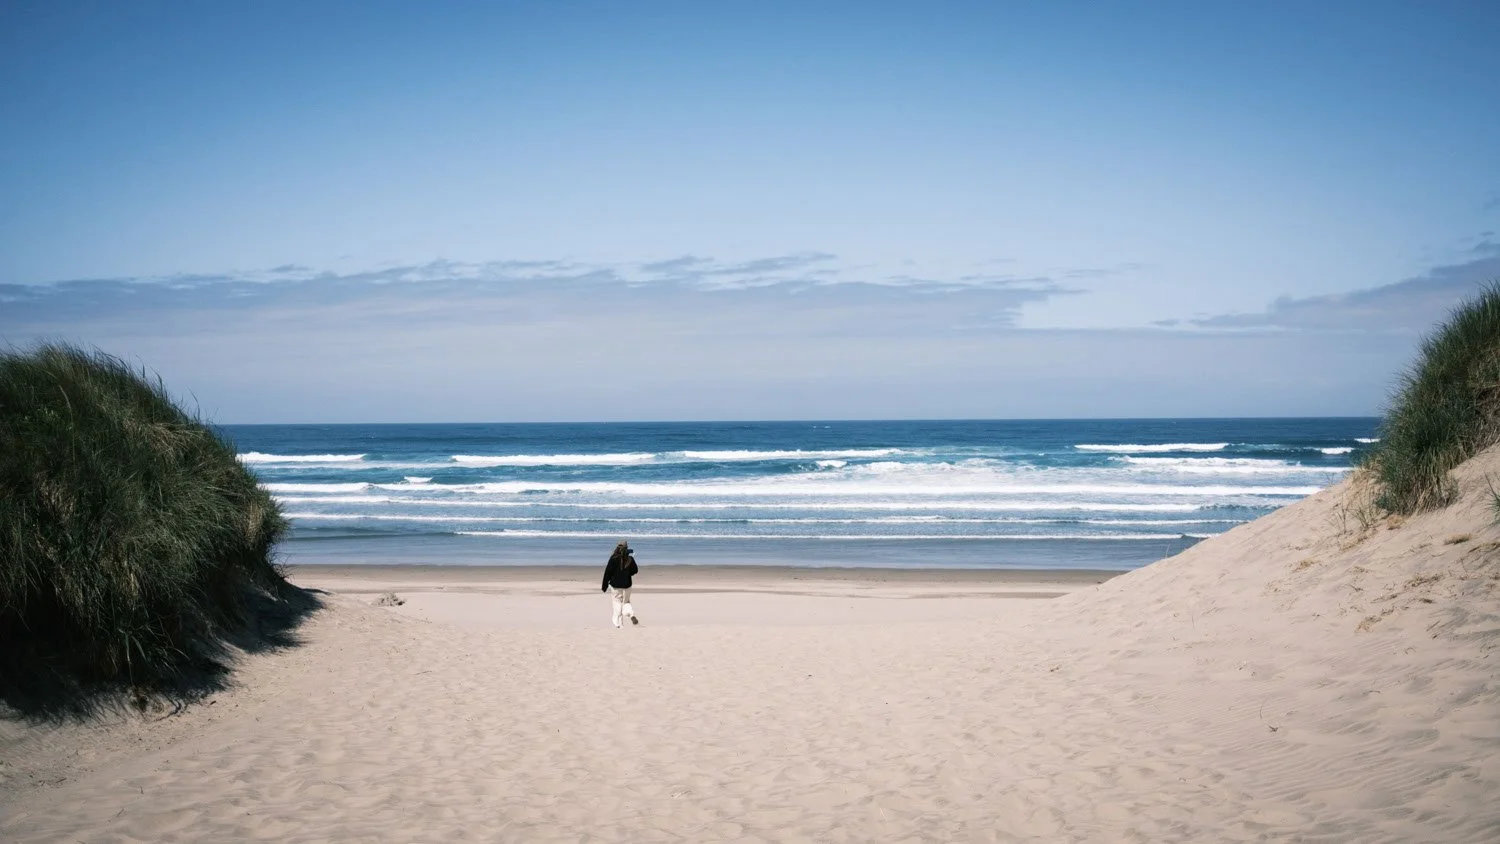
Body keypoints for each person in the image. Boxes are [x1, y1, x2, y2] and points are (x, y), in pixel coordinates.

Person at [600, 540, 639, 628]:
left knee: (617, 602)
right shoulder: (630, 559)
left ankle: (618, 624)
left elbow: (607, 573)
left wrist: (604, 586)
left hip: (616, 586)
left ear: (617, 547)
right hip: (627, 585)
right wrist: (628, 573)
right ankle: (631, 614)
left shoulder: (613, 558)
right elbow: (635, 570)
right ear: (627, 548)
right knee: (626, 602)